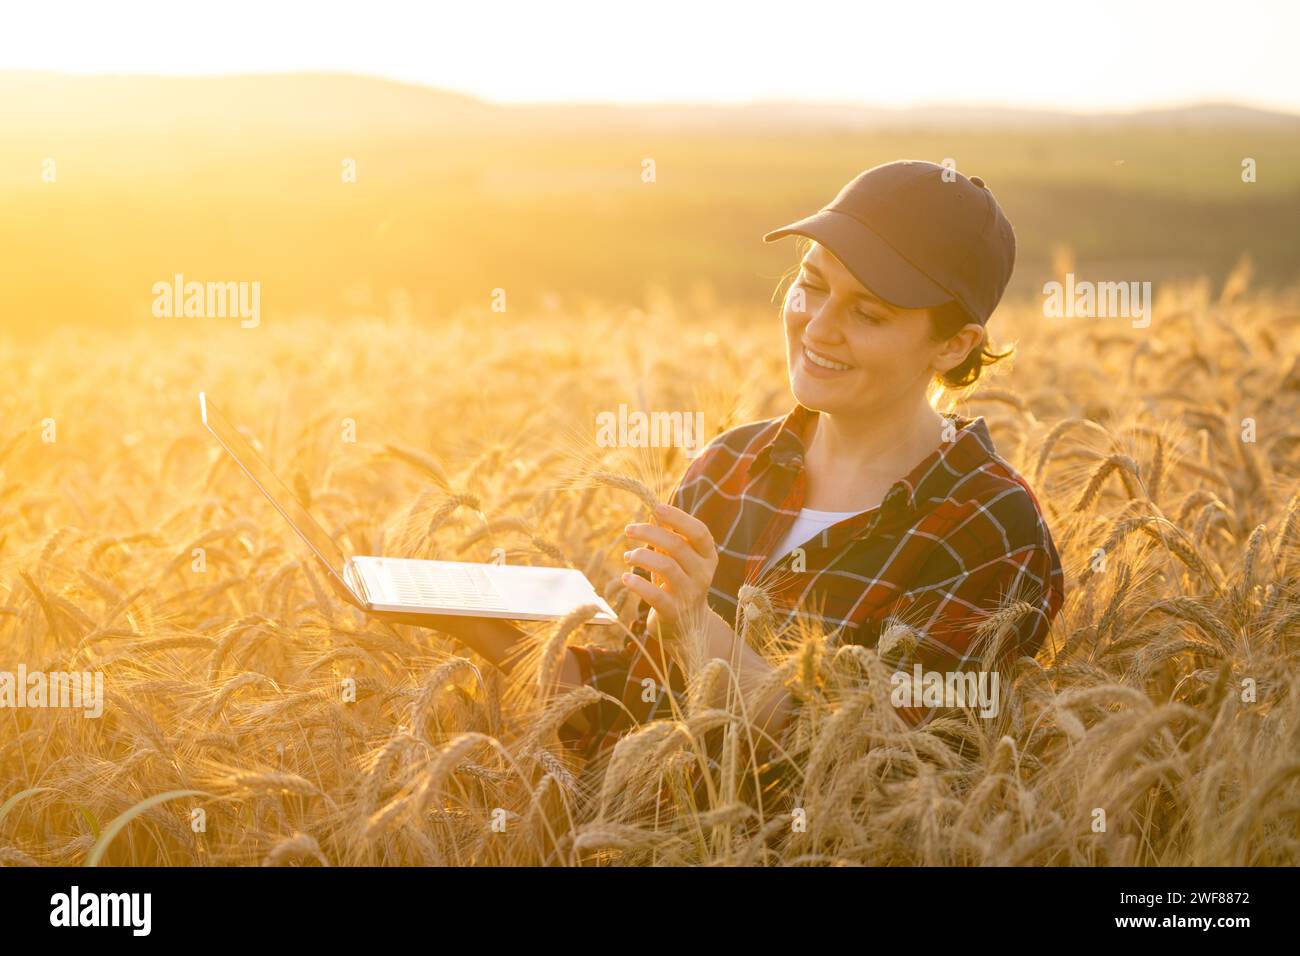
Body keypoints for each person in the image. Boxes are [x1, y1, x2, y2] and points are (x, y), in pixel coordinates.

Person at [412, 160, 1066, 773]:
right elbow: (645, 708)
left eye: (867, 313)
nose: (818, 328)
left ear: (953, 345)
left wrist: (699, 628)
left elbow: (878, 765)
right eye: (811, 285)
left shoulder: (991, 527)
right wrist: (501, 641)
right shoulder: (727, 467)